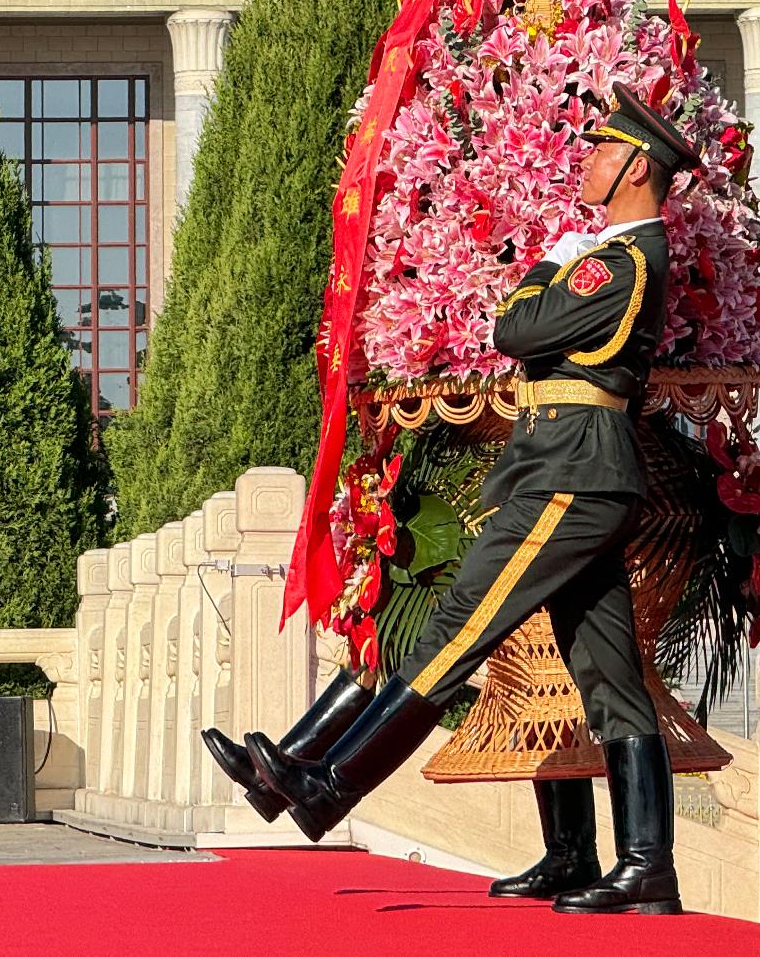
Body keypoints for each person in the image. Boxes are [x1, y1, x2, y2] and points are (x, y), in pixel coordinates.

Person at [239, 86, 698, 916]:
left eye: (603, 150)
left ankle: (328, 786)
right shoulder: (620, 257)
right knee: (608, 675)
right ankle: (644, 868)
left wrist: (548, 267)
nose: (588, 161)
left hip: (571, 474)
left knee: (457, 629)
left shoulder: (619, 261)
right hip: (574, 468)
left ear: (637, 168)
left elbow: (514, 331)